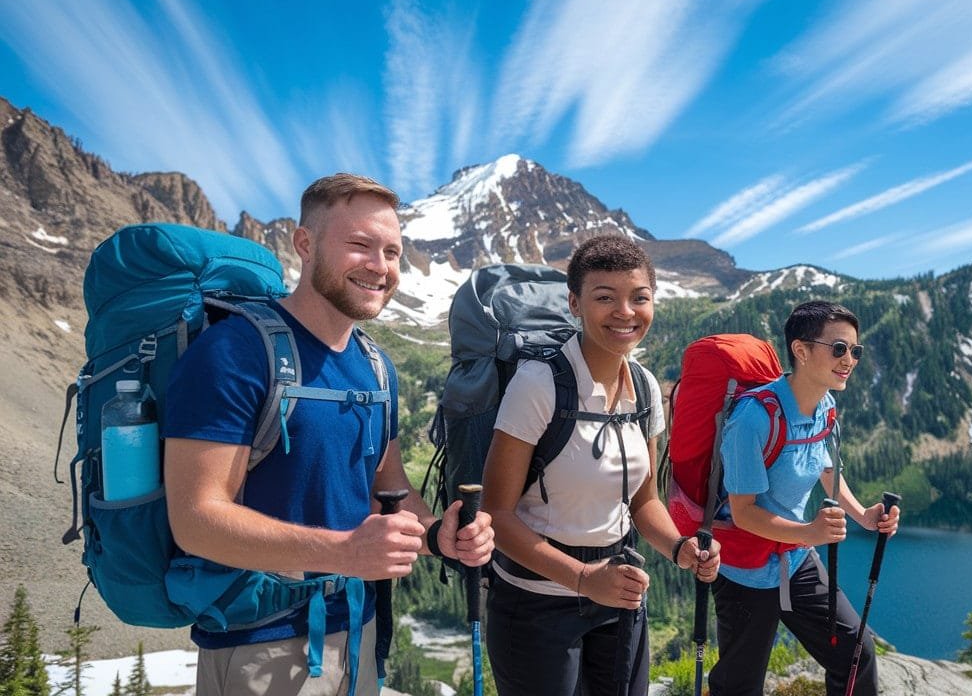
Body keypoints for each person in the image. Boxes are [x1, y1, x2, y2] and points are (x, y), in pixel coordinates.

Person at [163, 173, 494, 696]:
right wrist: (343, 553)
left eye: (392, 252)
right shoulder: (234, 353)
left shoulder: (376, 366)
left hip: (358, 631)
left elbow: (389, 489)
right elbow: (197, 520)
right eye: (360, 245)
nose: (380, 267)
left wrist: (436, 535)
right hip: (260, 646)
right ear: (305, 244)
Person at [482, 234, 721, 696]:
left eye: (639, 298)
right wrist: (584, 579)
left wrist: (679, 548)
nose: (625, 312)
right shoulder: (539, 384)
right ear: (575, 302)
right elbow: (497, 514)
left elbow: (643, 500)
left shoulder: (647, 388)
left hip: (619, 594)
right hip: (535, 604)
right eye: (604, 297)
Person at [709, 300, 900, 696]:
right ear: (801, 349)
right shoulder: (753, 418)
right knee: (739, 685)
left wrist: (864, 515)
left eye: (855, 351)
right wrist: (810, 532)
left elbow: (827, 470)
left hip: (794, 559)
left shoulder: (825, 405)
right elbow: (743, 513)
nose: (849, 360)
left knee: (854, 652)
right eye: (839, 349)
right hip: (745, 570)